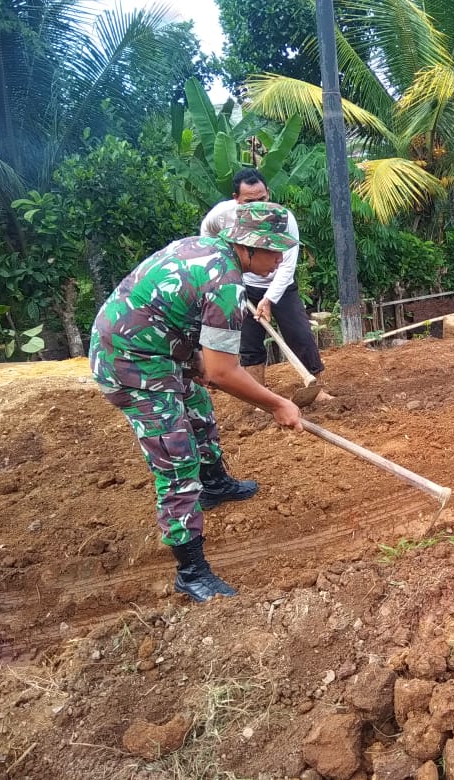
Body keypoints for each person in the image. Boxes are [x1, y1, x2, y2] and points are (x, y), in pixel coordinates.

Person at [89, 202, 304, 603]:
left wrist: (195, 360)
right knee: (176, 456)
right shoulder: (225, 282)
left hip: (158, 346)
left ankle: (216, 484)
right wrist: (277, 404)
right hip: (131, 362)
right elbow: (226, 372)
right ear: (249, 246)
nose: (278, 259)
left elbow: (181, 319)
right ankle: (191, 571)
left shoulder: (207, 248)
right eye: (273, 250)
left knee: (199, 408)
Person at [199, 168, 327, 393]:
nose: (259, 205)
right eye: (250, 201)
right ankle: (260, 397)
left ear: (268, 192)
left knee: (301, 335)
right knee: (249, 344)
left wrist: (268, 299)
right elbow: (207, 234)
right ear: (236, 199)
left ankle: (317, 389)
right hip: (244, 286)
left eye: (263, 198)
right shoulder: (222, 215)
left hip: (280, 285)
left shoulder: (282, 219)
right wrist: (225, 269)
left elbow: (286, 265)